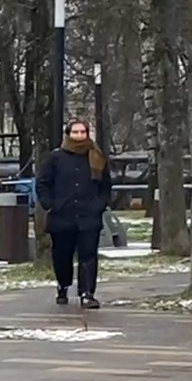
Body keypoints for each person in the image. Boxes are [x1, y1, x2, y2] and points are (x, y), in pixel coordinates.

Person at [34, 119, 114, 309]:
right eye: (75, 132)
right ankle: (63, 285)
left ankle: (87, 293)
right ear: (68, 134)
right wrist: (50, 204)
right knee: (62, 255)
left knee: (88, 255)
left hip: (89, 216)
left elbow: (106, 185)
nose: (79, 136)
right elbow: (43, 183)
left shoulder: (97, 156)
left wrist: (100, 204)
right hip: (63, 216)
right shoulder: (55, 158)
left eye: (83, 132)